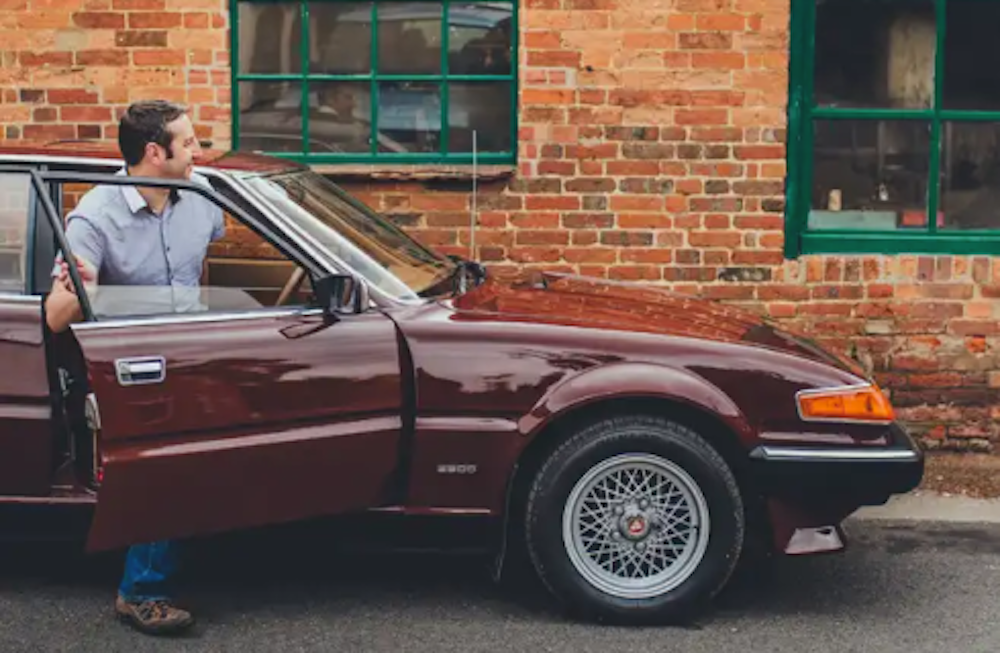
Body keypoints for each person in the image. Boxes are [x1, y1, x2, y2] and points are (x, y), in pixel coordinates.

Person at [45, 99, 226, 635]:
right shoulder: (94, 219)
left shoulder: (201, 198)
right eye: (189, 142)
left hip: (193, 351)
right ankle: (140, 591)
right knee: (164, 464)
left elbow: (205, 260)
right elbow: (57, 317)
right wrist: (84, 285)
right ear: (155, 152)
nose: (199, 151)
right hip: (136, 365)